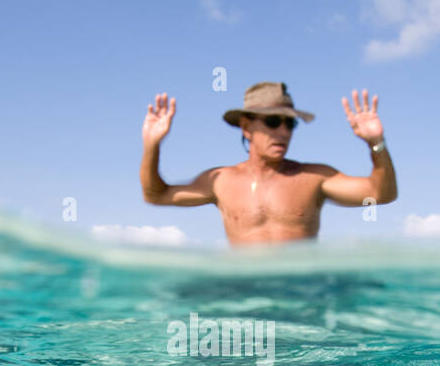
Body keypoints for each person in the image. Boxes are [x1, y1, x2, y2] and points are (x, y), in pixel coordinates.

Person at [140, 81, 398, 245]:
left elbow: (381, 194)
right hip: (248, 300)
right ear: (246, 127)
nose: (283, 131)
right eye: (273, 122)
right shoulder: (220, 181)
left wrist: (376, 143)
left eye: (290, 123)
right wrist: (152, 145)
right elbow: (156, 195)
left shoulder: (314, 177)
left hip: (302, 298)